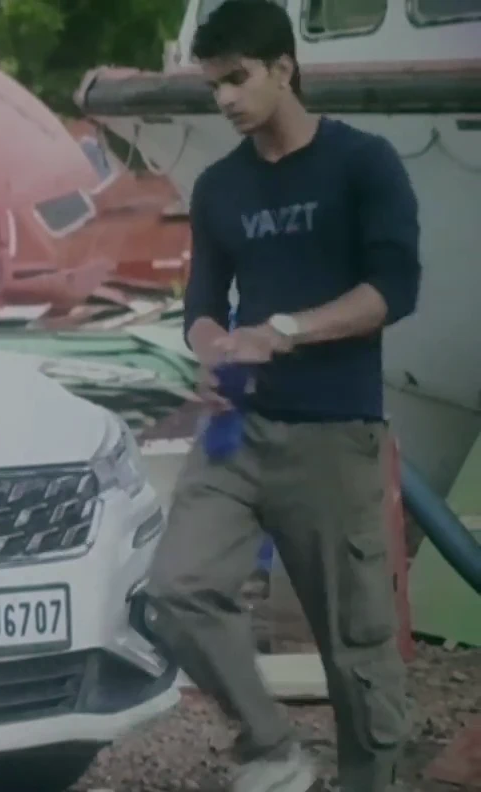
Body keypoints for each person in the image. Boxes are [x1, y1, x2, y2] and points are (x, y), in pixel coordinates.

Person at [144, 2, 422, 792]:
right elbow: (203, 306)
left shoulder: (364, 163)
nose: (225, 98)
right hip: (234, 425)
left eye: (237, 79)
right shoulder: (219, 186)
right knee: (176, 588)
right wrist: (212, 349)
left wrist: (285, 330)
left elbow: (393, 291)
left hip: (334, 428)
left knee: (356, 645)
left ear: (284, 69)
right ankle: (272, 750)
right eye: (213, 86)